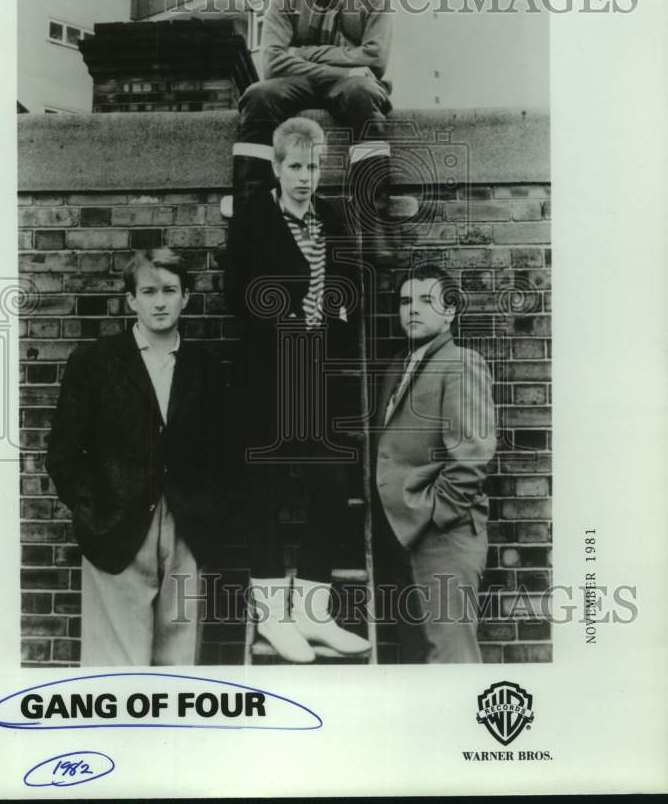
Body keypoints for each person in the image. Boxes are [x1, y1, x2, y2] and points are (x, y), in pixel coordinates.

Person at [226, 116, 371, 663]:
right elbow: (237, 294)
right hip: (267, 378)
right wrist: (285, 318)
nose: (305, 177)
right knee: (263, 492)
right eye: (295, 166)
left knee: (331, 487)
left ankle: (313, 615)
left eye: (314, 167)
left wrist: (336, 311)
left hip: (318, 377)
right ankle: (273, 618)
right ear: (277, 167)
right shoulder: (254, 219)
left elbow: (351, 286)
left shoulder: (330, 218)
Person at [45, 248, 227, 666]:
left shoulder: (207, 369)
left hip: (188, 528)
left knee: (179, 662)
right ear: (131, 300)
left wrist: (209, 509)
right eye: (148, 291)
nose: (159, 301)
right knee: (116, 667)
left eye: (169, 290)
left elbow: (223, 453)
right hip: (116, 528)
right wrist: (94, 507)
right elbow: (63, 453)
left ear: (186, 297)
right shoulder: (94, 363)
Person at [233, 0, 395, 262]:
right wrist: (344, 64)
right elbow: (272, 63)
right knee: (258, 96)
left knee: (363, 93)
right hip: (301, 83)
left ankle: (373, 224)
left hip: (348, 86)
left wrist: (306, 54)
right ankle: (248, 225)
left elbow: (375, 59)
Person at [372, 263, 496, 663]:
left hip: (444, 537)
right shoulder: (397, 366)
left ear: (450, 310)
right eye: (406, 300)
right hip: (401, 537)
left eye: (427, 300)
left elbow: (472, 457)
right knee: (416, 663)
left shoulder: (461, 362)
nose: (412, 309)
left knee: (451, 660)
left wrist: (435, 514)